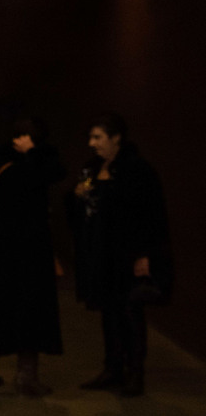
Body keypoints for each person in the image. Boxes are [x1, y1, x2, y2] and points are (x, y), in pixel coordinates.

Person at [71, 112, 171, 397]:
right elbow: (87, 210)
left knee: (129, 312)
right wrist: (77, 197)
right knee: (109, 312)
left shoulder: (137, 170)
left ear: (116, 138)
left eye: (98, 137)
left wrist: (146, 255)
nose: (92, 143)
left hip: (126, 255)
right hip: (101, 254)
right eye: (91, 137)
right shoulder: (93, 168)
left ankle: (135, 372)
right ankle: (112, 368)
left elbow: (152, 215)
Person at [0, 117, 64, 396]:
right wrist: (33, 153)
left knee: (0, 308)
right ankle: (26, 376)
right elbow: (53, 173)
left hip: (4, 249)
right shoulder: (29, 167)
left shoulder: (0, 166)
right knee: (30, 309)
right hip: (31, 250)